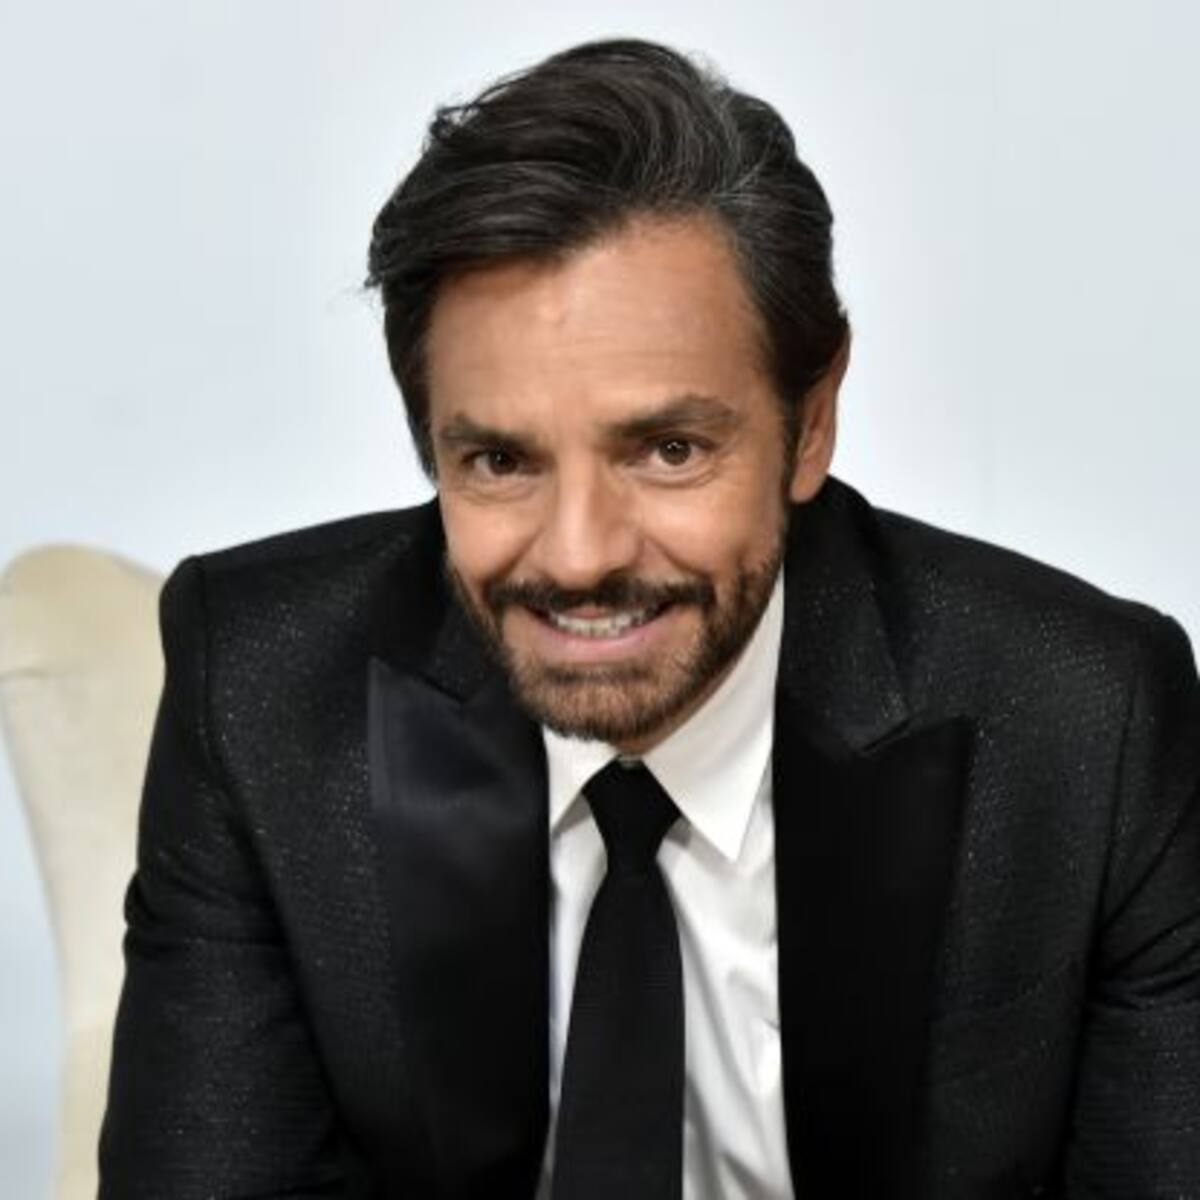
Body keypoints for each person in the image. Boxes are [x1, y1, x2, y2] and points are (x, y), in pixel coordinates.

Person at [99, 37, 1199, 1200]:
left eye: (669, 450)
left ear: (812, 422)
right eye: (500, 461)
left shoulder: (1088, 722)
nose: (579, 556)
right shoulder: (262, 688)